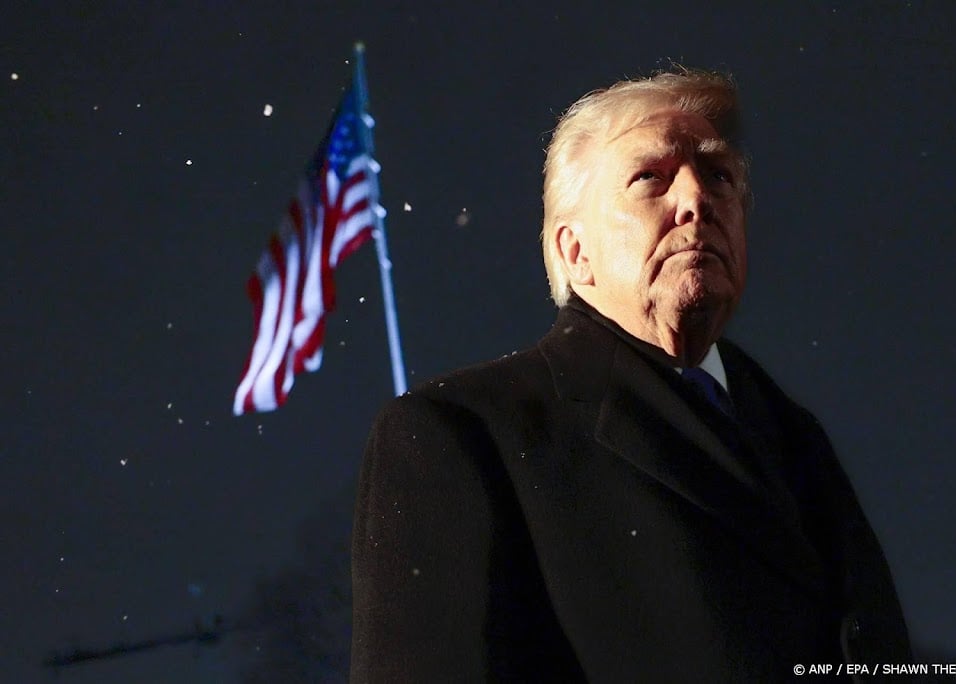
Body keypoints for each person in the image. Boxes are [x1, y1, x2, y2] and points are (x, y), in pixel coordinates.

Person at [350, 68, 912, 682]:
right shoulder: (461, 433)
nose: (698, 198)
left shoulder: (798, 438)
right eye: (652, 177)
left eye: (719, 175)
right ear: (575, 252)